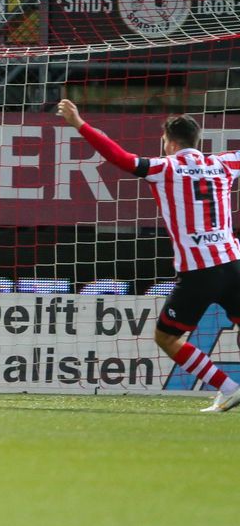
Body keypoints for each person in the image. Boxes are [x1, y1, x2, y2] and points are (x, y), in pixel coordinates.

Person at [56, 100, 240, 413]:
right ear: (198, 140)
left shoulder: (164, 167)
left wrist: (80, 124)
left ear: (169, 141)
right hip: (233, 262)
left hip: (199, 271)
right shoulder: (225, 163)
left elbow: (120, 158)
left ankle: (229, 387)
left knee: (167, 338)